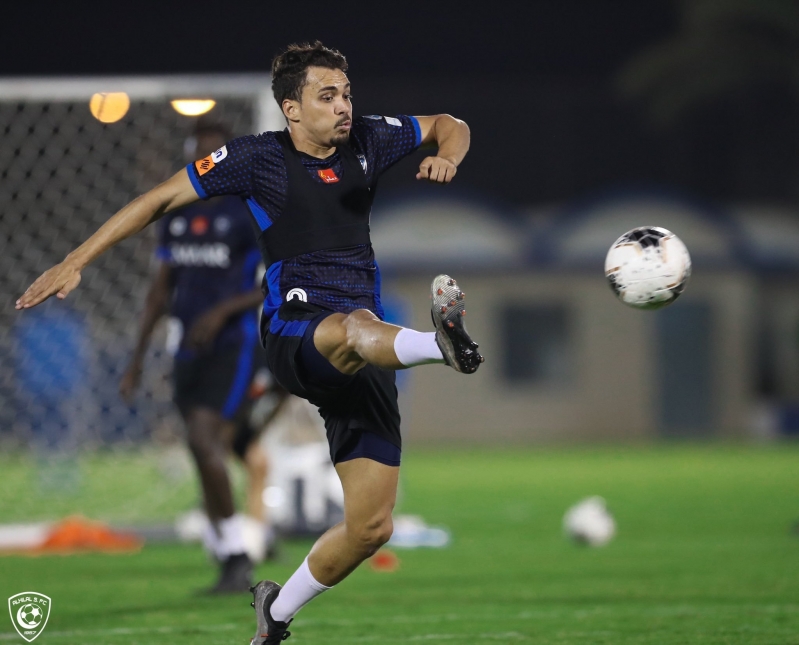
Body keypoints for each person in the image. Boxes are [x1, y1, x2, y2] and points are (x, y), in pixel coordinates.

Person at [16, 41, 483, 643]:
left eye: (346, 94)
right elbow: (158, 199)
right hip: (296, 328)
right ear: (291, 109)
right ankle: (440, 346)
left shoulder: (369, 138)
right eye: (327, 96)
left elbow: (450, 123)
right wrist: (74, 260)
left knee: (371, 528)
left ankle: (275, 614)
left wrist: (447, 155)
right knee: (355, 326)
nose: (344, 106)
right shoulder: (255, 158)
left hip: (366, 354)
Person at [118, 122, 275, 592]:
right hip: (186, 349)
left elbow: (275, 282)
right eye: (198, 157)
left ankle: (239, 553)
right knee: (201, 446)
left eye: (213, 156)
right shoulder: (177, 215)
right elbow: (159, 291)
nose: (206, 166)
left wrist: (223, 311)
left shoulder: (247, 213)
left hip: (234, 347)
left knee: (207, 440)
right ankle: (228, 550)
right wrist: (137, 357)